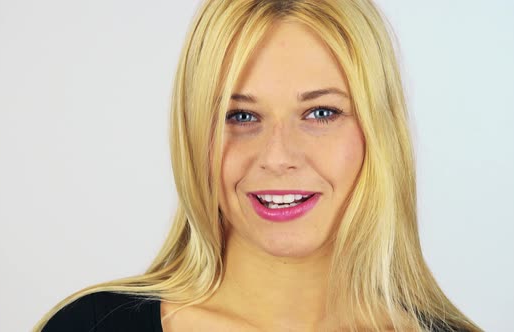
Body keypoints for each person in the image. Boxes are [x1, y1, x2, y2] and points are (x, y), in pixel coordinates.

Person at [34, 0, 482, 331]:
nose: (278, 156)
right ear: (194, 137)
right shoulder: (90, 327)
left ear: (378, 132)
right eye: (241, 116)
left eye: (321, 113)